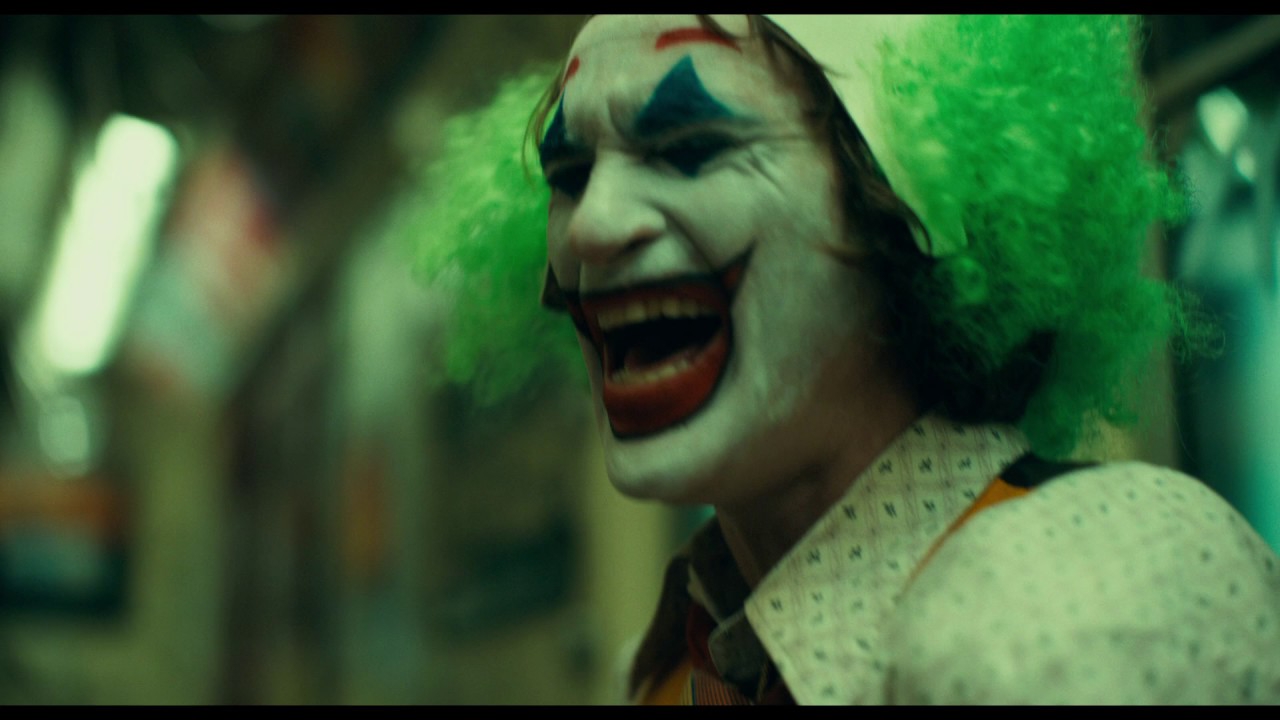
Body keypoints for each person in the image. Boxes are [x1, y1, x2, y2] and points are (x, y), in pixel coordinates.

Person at [413, 14, 1280, 705]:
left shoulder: (1084, 590)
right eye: (568, 173)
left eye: (690, 147)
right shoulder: (680, 661)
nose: (591, 228)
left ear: (908, 203)